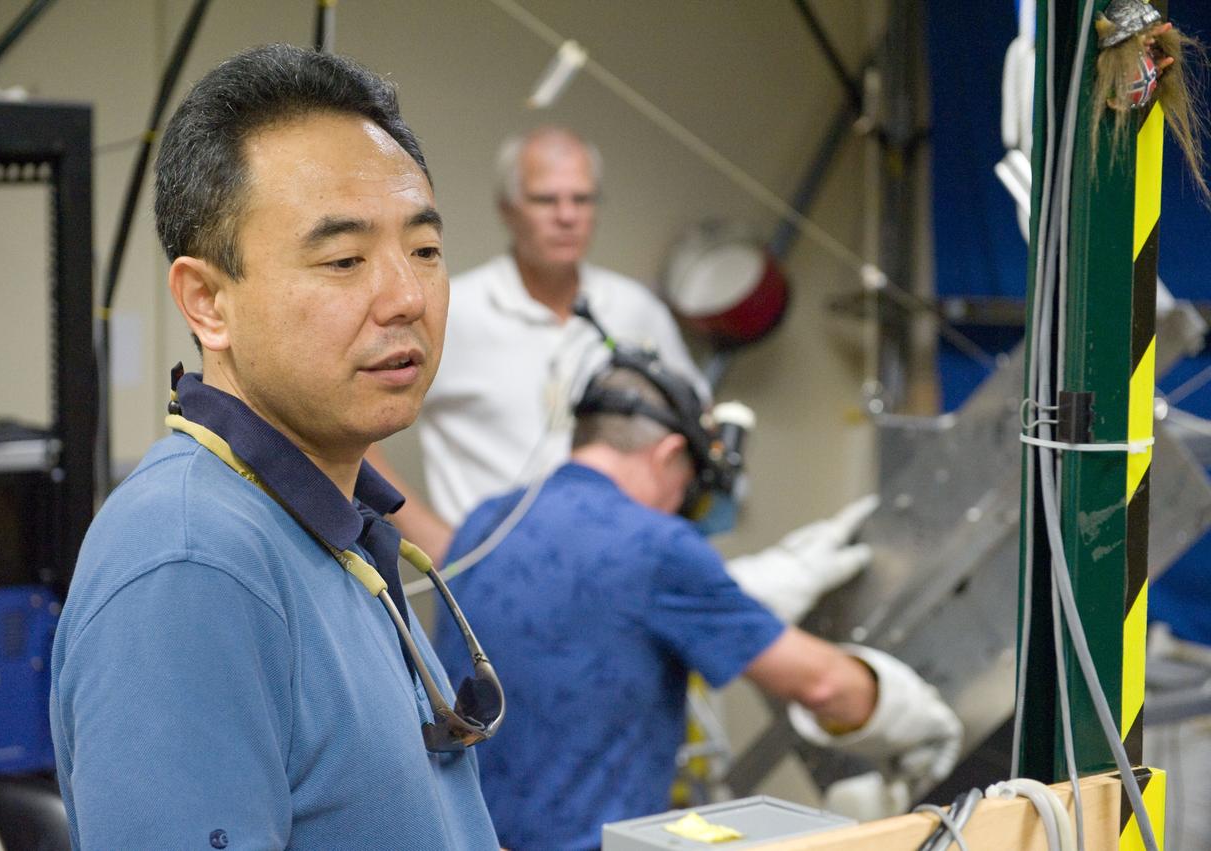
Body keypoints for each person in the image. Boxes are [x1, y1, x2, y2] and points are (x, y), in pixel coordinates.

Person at [49, 44, 500, 849]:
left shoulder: (328, 525)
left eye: (425, 250)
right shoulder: (191, 565)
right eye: (343, 260)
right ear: (207, 301)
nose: (405, 296)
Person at [433, 360, 964, 851]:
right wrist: (917, 716)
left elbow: (578, 620)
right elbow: (825, 687)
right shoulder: (658, 546)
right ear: (668, 455)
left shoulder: (486, 522)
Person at [370, 126, 705, 564]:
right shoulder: (454, 310)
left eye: (581, 199)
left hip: (622, 566)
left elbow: (699, 426)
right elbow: (354, 422)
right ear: (508, 209)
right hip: (498, 573)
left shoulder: (635, 309)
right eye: (546, 200)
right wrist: (433, 541)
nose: (566, 216)